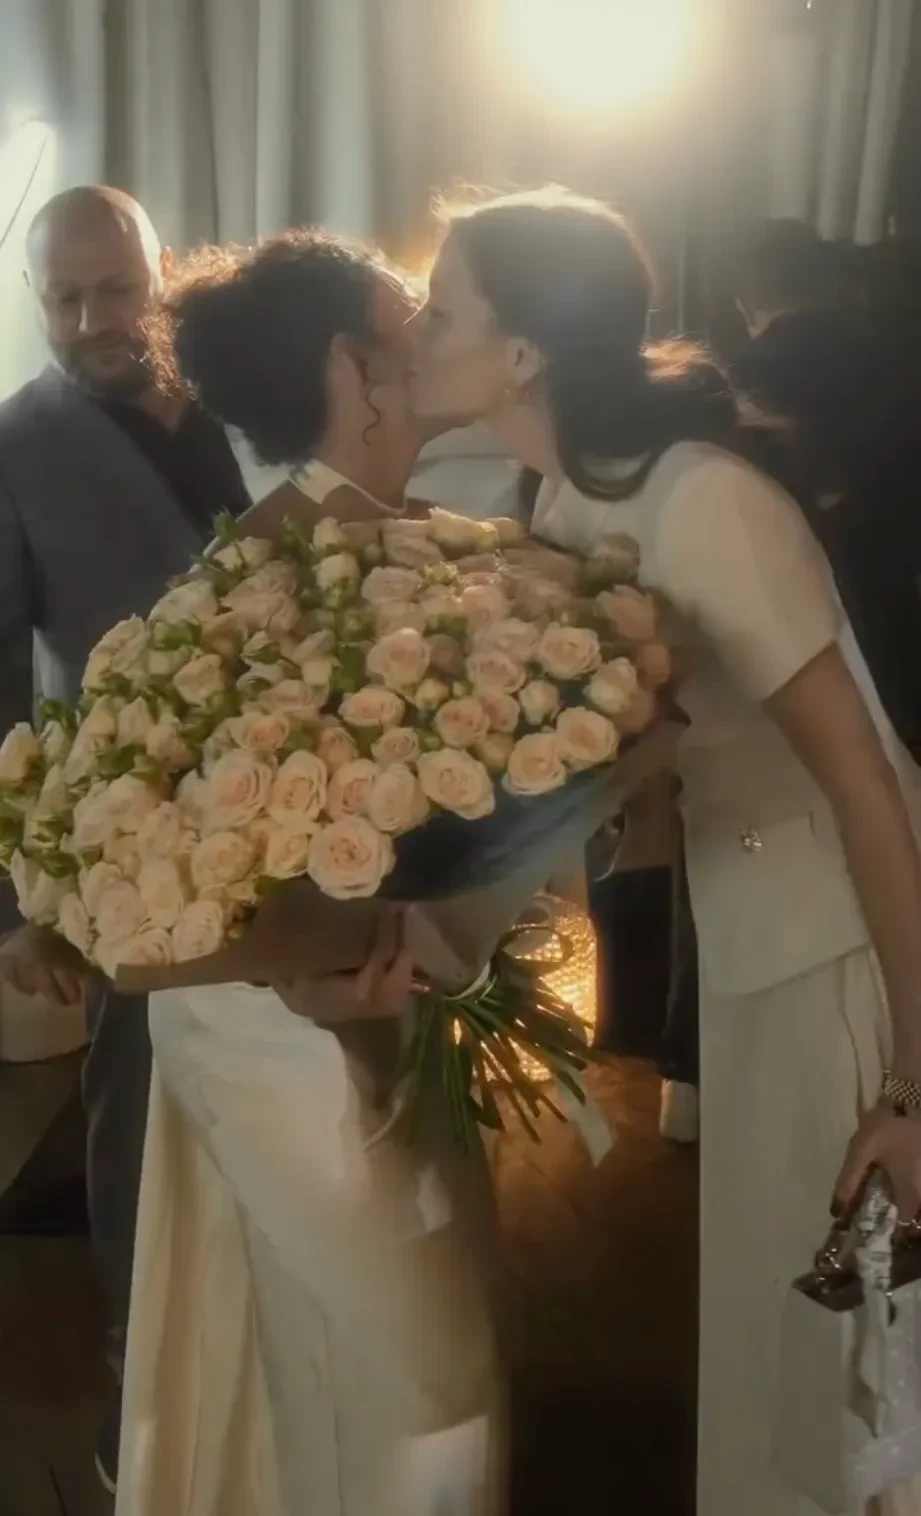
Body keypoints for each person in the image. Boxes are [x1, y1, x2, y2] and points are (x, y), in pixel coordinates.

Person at [408, 186, 921, 1516]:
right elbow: (624, 775)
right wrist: (436, 931)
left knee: (846, 1358)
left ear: (524, 350)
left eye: (440, 309)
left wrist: (917, 1090)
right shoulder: (571, 500)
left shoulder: (702, 501)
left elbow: (872, 792)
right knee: (773, 1334)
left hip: (843, 948)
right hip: (753, 939)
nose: (414, 331)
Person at [113, 229, 505, 1516]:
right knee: (407, 1385)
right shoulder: (253, 583)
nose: (437, 332)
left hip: (392, 1009)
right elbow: (165, 890)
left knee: (423, 1378)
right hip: (263, 1031)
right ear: (354, 367)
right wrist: (311, 976)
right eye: (415, 314)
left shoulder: (457, 554)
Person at [0, 185, 250, 1492]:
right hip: (131, 846)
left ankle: (266, 1368)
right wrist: (16, 904)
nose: (95, 319)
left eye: (117, 289)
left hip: (319, 819)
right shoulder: (13, 445)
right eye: (65, 297)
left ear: (163, 276)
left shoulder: (248, 394)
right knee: (138, 1105)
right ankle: (138, 1378)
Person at [731, 218, 921, 755]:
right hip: (901, 567)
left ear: (746, 301)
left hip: (823, 586)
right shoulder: (895, 348)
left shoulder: (752, 372)